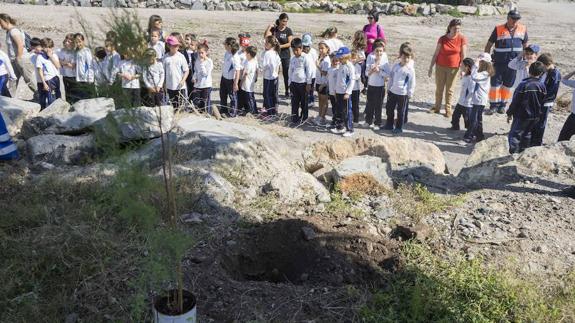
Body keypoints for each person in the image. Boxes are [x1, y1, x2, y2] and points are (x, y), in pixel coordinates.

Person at [484, 9, 528, 114]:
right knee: (495, 85)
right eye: (513, 19)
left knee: (508, 85)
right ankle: (493, 105)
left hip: (514, 64)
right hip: (498, 63)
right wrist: (487, 60)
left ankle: (502, 105)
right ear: (508, 18)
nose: (515, 21)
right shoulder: (498, 29)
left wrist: (525, 60)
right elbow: (489, 45)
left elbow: (525, 46)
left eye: (517, 19)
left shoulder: (522, 29)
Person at [428, 19, 467, 117]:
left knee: (450, 90)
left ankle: (448, 109)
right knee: (439, 88)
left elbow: (463, 55)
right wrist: (431, 67)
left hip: (454, 68)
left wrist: (463, 69)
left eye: (458, 29)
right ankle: (437, 107)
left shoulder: (462, 39)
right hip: (440, 66)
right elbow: (436, 53)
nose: (456, 31)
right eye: (455, 28)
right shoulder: (442, 38)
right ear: (450, 28)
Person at [506, 62, 546, 154]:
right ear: (541, 73)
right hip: (535, 116)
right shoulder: (542, 86)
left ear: (529, 71)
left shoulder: (523, 85)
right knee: (527, 134)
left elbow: (515, 101)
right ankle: (523, 152)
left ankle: (514, 153)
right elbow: (542, 100)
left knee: (514, 135)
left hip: (522, 115)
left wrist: (509, 113)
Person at [0, 13, 37, 96]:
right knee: (13, 79)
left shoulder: (14, 31)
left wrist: (19, 58)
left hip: (21, 59)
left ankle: (40, 95)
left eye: (0, 22)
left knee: (29, 79)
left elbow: (20, 45)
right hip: (14, 60)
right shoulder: (9, 31)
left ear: (6, 21)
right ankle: (9, 99)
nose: (0, 25)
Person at [383, 44, 415, 134]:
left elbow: (412, 82)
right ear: (400, 56)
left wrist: (410, 93)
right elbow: (391, 77)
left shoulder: (410, 69)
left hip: (403, 94)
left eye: (408, 57)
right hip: (393, 92)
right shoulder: (396, 66)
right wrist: (389, 88)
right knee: (389, 109)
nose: (406, 59)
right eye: (404, 57)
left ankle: (398, 127)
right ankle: (389, 124)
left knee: (401, 112)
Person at [464, 53, 494, 143]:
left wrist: (475, 65)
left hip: (480, 99)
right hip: (478, 98)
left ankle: (469, 136)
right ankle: (480, 136)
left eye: (481, 61)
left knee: (474, 119)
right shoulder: (484, 72)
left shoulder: (485, 73)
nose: (479, 63)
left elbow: (474, 77)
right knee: (478, 118)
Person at [532, 53, 561, 146]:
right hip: (539, 101)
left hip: (545, 102)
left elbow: (551, 90)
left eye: (543, 66)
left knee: (540, 123)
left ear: (547, 64)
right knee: (535, 122)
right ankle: (533, 140)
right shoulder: (546, 72)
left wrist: (540, 99)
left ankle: (537, 143)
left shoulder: (555, 74)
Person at [264, 13, 293, 97]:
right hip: (276, 54)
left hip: (285, 55)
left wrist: (279, 46)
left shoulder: (288, 30)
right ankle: (274, 89)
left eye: (286, 21)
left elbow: (290, 43)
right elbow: (266, 37)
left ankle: (287, 90)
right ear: (279, 20)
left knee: (286, 73)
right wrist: (269, 27)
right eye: (283, 21)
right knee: (275, 72)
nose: (285, 23)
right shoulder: (275, 29)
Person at [30, 37, 61, 110]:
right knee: (43, 97)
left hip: (54, 78)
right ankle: (44, 110)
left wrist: (51, 56)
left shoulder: (54, 55)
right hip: (44, 80)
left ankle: (57, 110)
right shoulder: (39, 57)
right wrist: (44, 83)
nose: (48, 49)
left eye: (50, 47)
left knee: (55, 96)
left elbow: (58, 66)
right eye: (46, 47)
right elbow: (40, 70)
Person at [331, 47, 356, 137]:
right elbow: (339, 79)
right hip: (338, 91)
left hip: (345, 93)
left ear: (346, 56)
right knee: (339, 111)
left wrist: (348, 92)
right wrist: (335, 90)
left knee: (347, 112)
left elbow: (352, 80)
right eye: (339, 57)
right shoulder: (341, 65)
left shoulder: (349, 66)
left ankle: (350, 129)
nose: (340, 59)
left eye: (341, 57)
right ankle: (340, 127)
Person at [364, 42, 388, 130]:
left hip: (380, 86)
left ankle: (378, 123)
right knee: (370, 104)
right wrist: (371, 71)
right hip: (371, 85)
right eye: (377, 51)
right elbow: (366, 73)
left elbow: (387, 74)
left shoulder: (385, 58)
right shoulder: (370, 57)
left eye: (381, 51)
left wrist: (379, 71)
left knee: (378, 105)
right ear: (373, 51)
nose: (379, 53)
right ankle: (368, 121)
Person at [288, 37, 312, 124]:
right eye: (293, 50)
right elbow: (290, 71)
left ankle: (304, 118)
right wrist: (289, 82)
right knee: (294, 102)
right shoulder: (292, 59)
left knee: (304, 102)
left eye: (297, 50)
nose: (295, 52)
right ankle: (294, 118)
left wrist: (309, 83)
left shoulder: (305, 58)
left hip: (303, 84)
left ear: (301, 48)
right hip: (294, 83)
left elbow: (309, 70)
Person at [163, 35, 189, 111]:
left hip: (180, 86)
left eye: (177, 46)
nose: (176, 47)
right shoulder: (165, 57)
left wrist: (183, 80)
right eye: (173, 46)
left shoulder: (181, 56)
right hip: (169, 86)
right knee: (172, 105)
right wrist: (163, 84)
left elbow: (186, 70)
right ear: (169, 46)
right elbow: (163, 72)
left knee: (181, 105)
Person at [450, 58, 475, 131]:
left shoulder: (471, 78)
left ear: (467, 67)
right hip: (461, 101)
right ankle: (455, 126)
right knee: (455, 116)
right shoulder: (465, 75)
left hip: (467, 103)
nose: (460, 66)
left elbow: (471, 91)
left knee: (467, 118)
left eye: (462, 65)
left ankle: (470, 130)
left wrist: (466, 99)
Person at [220, 37, 241, 117]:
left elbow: (237, 71)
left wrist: (235, 83)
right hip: (224, 77)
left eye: (225, 44)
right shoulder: (226, 53)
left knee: (232, 96)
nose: (224, 45)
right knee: (222, 94)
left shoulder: (235, 57)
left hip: (231, 79)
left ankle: (233, 113)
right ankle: (223, 109)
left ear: (229, 45)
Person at [261, 36, 281, 116]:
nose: (265, 44)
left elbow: (265, 65)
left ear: (270, 44)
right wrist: (276, 73)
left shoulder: (268, 53)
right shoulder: (275, 52)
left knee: (267, 94)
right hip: (274, 77)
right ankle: (272, 110)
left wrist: (261, 69)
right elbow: (279, 64)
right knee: (273, 94)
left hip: (268, 77)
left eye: (266, 42)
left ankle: (270, 112)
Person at [193, 43, 213, 115]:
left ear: (206, 53)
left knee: (206, 100)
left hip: (206, 85)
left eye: (202, 53)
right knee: (197, 100)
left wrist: (202, 64)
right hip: (198, 84)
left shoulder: (209, 61)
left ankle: (207, 113)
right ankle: (199, 113)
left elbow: (205, 74)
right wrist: (194, 77)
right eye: (199, 53)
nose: (200, 55)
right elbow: (196, 70)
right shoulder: (197, 60)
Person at [314, 41, 331, 126]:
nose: (320, 50)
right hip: (318, 81)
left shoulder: (327, 59)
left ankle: (323, 117)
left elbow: (325, 73)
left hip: (324, 83)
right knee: (320, 99)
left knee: (324, 100)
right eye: (319, 48)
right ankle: (320, 115)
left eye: (322, 48)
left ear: (327, 49)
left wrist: (318, 66)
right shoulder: (320, 57)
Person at [74, 33, 94, 101]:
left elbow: (90, 65)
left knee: (87, 99)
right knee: (81, 98)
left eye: (80, 42)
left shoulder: (86, 51)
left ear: (83, 41)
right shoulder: (77, 52)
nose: (78, 44)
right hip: (79, 79)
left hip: (86, 80)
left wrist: (90, 78)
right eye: (76, 42)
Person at [238, 46, 258, 116]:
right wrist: (256, 78)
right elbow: (257, 71)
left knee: (249, 98)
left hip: (247, 84)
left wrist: (241, 82)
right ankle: (253, 110)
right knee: (251, 97)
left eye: (246, 53)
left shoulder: (249, 63)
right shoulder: (254, 61)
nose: (245, 54)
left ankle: (252, 111)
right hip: (251, 83)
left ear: (249, 54)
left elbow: (245, 74)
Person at [56, 34, 76, 102]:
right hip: (65, 74)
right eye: (67, 41)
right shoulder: (60, 51)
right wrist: (66, 63)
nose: (68, 43)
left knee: (74, 91)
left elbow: (72, 66)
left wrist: (64, 63)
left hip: (74, 75)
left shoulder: (75, 52)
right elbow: (58, 62)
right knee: (67, 91)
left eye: (70, 41)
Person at [558, 70, 575, 142]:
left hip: (573, 117)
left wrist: (573, 72)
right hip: (573, 116)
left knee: (563, 138)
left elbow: (564, 80)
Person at [302, 33, 317, 109]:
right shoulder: (302, 52)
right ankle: (305, 100)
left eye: (307, 46)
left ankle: (311, 100)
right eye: (304, 46)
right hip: (304, 74)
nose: (306, 48)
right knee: (305, 88)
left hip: (312, 74)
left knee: (311, 88)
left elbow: (315, 62)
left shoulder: (313, 52)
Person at [183, 33, 198, 105]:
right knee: (188, 87)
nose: (186, 41)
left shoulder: (196, 52)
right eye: (185, 39)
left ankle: (194, 102)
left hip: (193, 72)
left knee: (194, 88)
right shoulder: (184, 51)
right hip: (186, 72)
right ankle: (188, 101)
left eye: (188, 39)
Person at [350, 49, 362, 124]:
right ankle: (349, 118)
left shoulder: (358, 66)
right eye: (351, 58)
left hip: (355, 89)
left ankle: (356, 119)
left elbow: (357, 76)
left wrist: (350, 76)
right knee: (349, 105)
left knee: (355, 105)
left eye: (354, 58)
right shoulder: (347, 66)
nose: (353, 60)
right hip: (348, 89)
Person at [327, 53, 339, 128]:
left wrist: (336, 91)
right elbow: (329, 80)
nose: (335, 62)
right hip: (331, 92)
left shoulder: (338, 70)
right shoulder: (329, 69)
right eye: (333, 60)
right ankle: (334, 120)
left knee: (337, 107)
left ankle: (338, 121)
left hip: (337, 92)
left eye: (337, 60)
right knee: (333, 107)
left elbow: (338, 82)